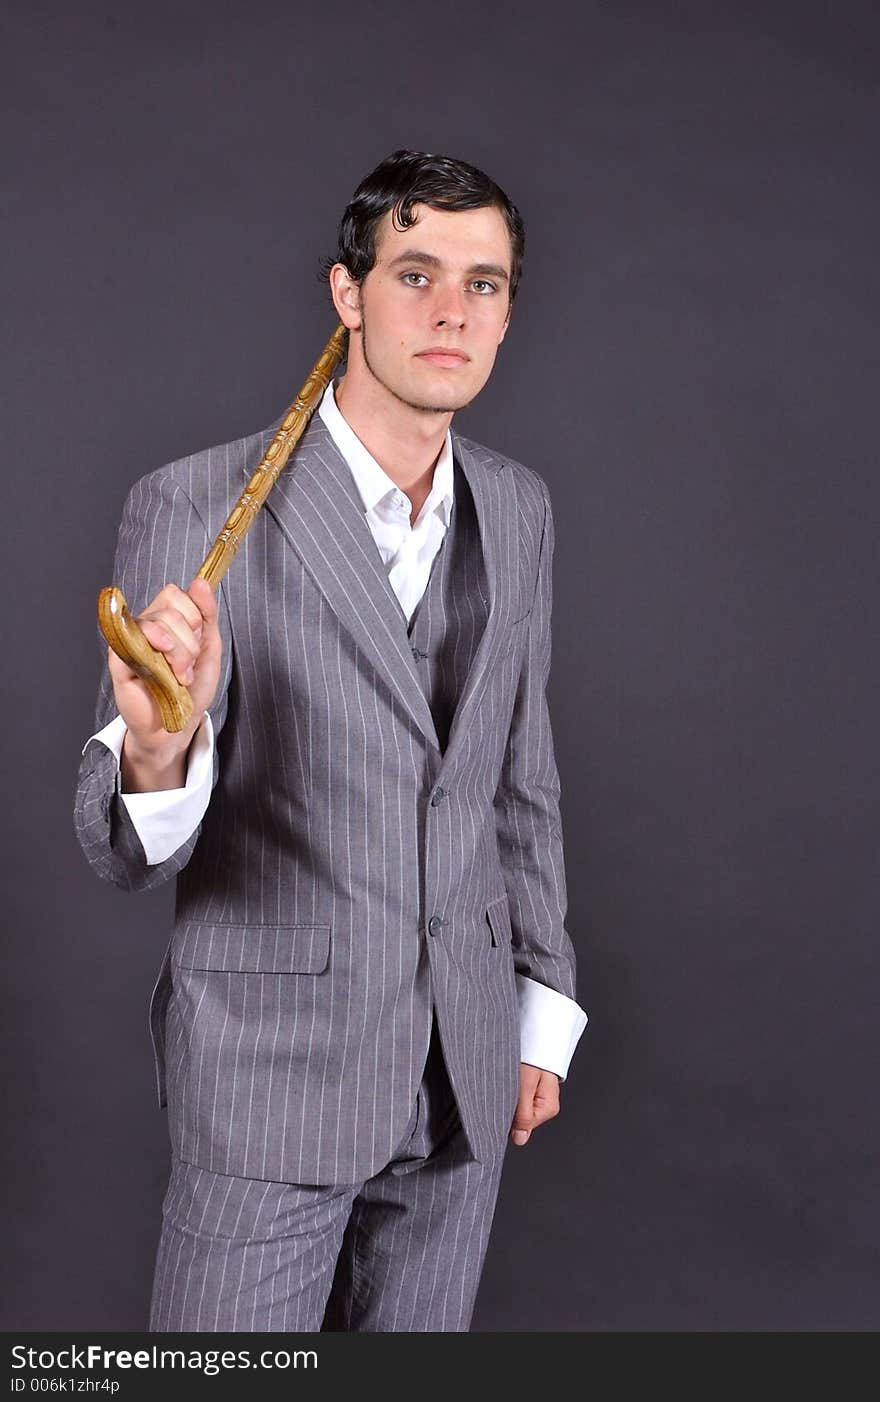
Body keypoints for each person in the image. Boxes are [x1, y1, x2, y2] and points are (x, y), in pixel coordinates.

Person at [74, 148, 588, 1333]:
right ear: (347, 295)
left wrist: (538, 1012)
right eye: (415, 274)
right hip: (269, 1081)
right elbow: (118, 845)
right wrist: (160, 745)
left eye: (486, 282)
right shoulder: (198, 505)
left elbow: (520, 779)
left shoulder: (519, 510)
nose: (453, 308)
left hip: (463, 1076)